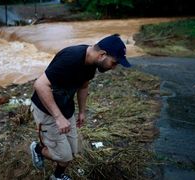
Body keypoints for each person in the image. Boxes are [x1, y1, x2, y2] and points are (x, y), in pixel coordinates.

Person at [29, 34, 131, 180]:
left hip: (66, 108)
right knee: (64, 157)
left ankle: (58, 176)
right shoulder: (71, 58)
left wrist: (82, 111)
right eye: (114, 63)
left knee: (73, 151)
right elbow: (40, 84)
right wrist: (58, 118)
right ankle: (37, 149)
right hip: (47, 111)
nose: (114, 68)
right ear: (102, 55)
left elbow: (83, 86)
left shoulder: (92, 64)